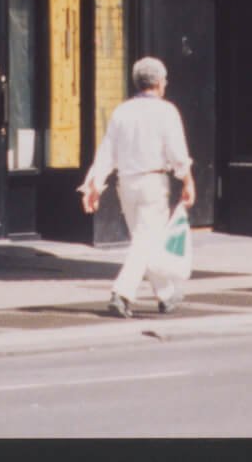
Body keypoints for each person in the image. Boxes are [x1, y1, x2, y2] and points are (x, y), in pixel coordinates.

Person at [79, 56, 196, 318]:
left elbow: (107, 151)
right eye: (164, 80)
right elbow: (178, 152)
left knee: (144, 242)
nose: (165, 84)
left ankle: (166, 295)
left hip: (127, 185)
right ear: (158, 82)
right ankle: (121, 292)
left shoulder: (122, 111)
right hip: (153, 183)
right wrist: (187, 181)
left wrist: (95, 184)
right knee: (145, 242)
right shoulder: (167, 111)